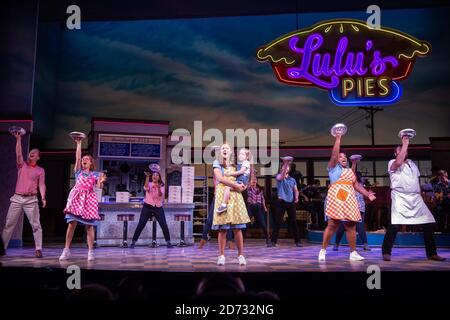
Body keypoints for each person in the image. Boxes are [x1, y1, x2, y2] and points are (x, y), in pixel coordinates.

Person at [382, 136, 446, 261]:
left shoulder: (412, 164)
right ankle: (386, 252)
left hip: (415, 198)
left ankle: (432, 253)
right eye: (399, 150)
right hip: (400, 197)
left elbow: (416, 182)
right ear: (395, 153)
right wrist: (405, 143)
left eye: (404, 150)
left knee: (428, 223)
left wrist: (422, 197)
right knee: (394, 225)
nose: (403, 152)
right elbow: (399, 162)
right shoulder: (392, 162)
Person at [319, 133, 376, 262]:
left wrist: (367, 194)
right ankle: (323, 250)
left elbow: (356, 185)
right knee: (333, 224)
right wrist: (338, 138)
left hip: (349, 198)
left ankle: (353, 252)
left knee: (351, 225)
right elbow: (334, 155)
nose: (343, 158)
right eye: (340, 156)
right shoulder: (333, 168)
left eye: (345, 157)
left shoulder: (350, 171)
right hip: (337, 196)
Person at [59, 137, 106, 261]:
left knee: (89, 226)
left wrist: (101, 181)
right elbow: (77, 158)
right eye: (83, 159)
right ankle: (66, 250)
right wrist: (79, 143)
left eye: (87, 159)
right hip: (76, 198)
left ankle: (90, 252)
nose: (84, 160)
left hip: (89, 199)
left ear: (91, 163)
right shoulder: (78, 172)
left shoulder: (95, 174)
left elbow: (98, 187)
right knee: (71, 224)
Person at [2, 132, 46, 258]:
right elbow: (18, 154)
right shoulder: (22, 165)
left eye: (34, 153)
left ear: (38, 157)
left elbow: (42, 185)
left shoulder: (40, 170)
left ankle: (38, 248)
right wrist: (18, 139)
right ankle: (3, 248)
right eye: (30, 152)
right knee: (9, 224)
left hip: (31, 199)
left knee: (36, 225)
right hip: (17, 198)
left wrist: (43, 197)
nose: (31, 153)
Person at [212, 143, 250, 266]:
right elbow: (220, 179)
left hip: (235, 196)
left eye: (227, 148)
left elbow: (244, 179)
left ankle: (241, 255)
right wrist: (236, 186)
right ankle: (221, 256)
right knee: (223, 229)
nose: (224, 149)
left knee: (237, 228)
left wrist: (242, 187)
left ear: (230, 152)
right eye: (222, 148)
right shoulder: (217, 163)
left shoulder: (237, 165)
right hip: (223, 195)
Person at [130, 171, 173, 248]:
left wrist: (159, 188)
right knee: (141, 224)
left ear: (159, 177)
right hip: (147, 206)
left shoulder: (162, 185)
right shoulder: (149, 184)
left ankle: (168, 242)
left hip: (158, 207)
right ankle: (133, 242)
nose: (155, 176)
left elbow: (160, 195)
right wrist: (147, 177)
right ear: (151, 177)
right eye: (153, 175)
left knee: (164, 224)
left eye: (157, 175)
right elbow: (146, 187)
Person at [333, 169, 371, 251]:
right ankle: (336, 244)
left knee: (360, 226)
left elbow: (364, 195)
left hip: (359, 208)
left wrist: (368, 195)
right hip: (347, 207)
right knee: (342, 226)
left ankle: (365, 244)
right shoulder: (345, 184)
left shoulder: (360, 185)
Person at [269, 158, 301, 247]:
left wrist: (297, 197)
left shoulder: (292, 179)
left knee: (293, 222)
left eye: (287, 167)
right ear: (282, 169)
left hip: (290, 203)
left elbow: (295, 190)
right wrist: (286, 163)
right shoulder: (279, 177)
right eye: (284, 167)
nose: (286, 168)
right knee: (277, 222)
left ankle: (297, 241)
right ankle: (273, 241)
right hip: (281, 202)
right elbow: (282, 176)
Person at [217, 148, 251, 214]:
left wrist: (230, 174)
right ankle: (227, 204)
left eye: (242, 154)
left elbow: (241, 172)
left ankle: (224, 205)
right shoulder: (240, 163)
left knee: (227, 188)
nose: (240, 155)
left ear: (247, 157)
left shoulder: (246, 162)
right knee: (228, 189)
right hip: (240, 180)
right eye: (239, 154)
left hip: (241, 181)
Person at [246, 177, 270, 245]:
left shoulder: (260, 189)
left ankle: (267, 238)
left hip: (258, 207)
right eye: (252, 180)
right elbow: (247, 185)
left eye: (255, 180)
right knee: (246, 223)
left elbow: (262, 199)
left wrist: (264, 207)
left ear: (257, 181)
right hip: (251, 206)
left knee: (263, 223)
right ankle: (241, 239)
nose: (253, 181)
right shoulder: (249, 188)